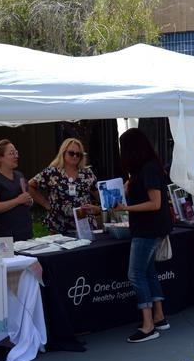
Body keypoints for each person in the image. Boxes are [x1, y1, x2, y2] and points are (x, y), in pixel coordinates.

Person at [115, 128, 172, 343]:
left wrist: (126, 209)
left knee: (136, 274)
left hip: (148, 229)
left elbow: (155, 203)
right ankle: (158, 316)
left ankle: (148, 325)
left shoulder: (148, 169)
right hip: (150, 227)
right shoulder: (145, 168)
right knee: (148, 272)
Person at [29, 137, 102, 237]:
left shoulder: (87, 173)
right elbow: (30, 186)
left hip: (84, 225)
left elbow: (101, 196)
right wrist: (46, 204)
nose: (75, 156)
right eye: (71, 153)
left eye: (79, 154)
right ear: (63, 153)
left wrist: (97, 208)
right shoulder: (52, 172)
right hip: (58, 226)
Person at [0, 139, 34, 241]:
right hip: (4, 236)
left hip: (25, 233)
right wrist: (18, 200)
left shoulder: (19, 175)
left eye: (16, 152)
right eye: (11, 153)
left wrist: (29, 201)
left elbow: (26, 198)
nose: (16, 156)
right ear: (0, 158)